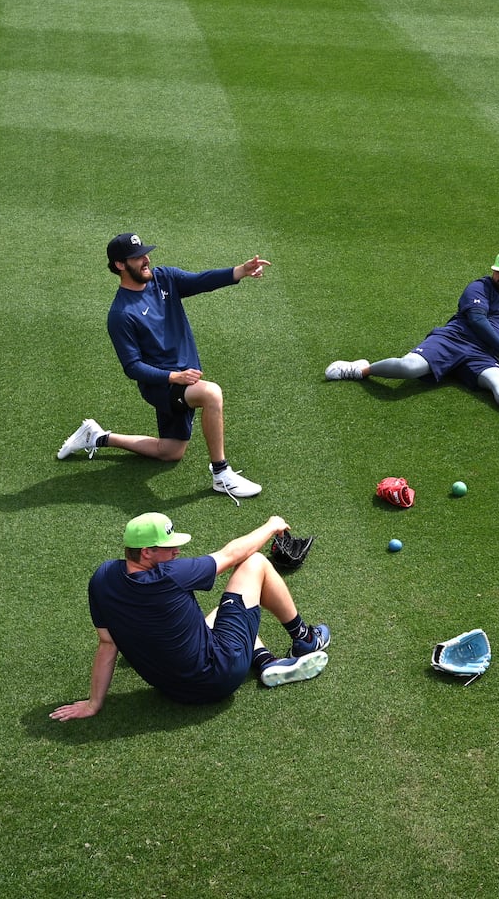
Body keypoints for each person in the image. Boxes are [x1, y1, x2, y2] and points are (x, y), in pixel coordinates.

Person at [50, 512, 332, 721]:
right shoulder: (171, 576)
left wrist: (94, 703)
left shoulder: (102, 578)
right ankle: (304, 639)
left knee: (221, 613)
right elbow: (234, 554)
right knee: (255, 563)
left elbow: (107, 644)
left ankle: (265, 661)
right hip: (221, 675)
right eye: (169, 547)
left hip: (174, 689)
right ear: (146, 552)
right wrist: (272, 526)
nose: (177, 551)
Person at [56, 233, 267, 501]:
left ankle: (97, 436)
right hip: (162, 386)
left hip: (184, 378)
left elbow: (200, 281)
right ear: (120, 265)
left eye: (145, 254)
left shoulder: (163, 278)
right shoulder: (121, 315)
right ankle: (221, 474)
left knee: (171, 452)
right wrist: (174, 377)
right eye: (137, 257)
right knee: (211, 393)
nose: (146, 260)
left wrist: (241, 271)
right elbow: (132, 367)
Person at [325, 251, 499, 429]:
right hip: (453, 340)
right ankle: (360, 369)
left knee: (498, 379)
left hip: (483, 355)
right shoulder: (479, 287)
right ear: (493, 270)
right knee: (410, 368)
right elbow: (478, 321)